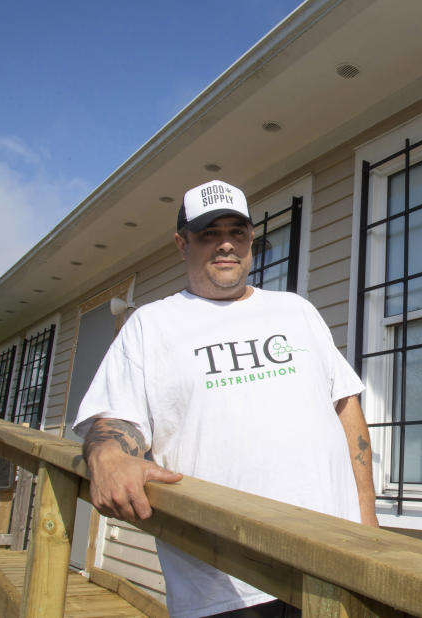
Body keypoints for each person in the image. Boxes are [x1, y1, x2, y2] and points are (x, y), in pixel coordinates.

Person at [73, 179, 378, 618]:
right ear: (182, 244)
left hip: (334, 560)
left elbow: (346, 409)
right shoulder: (152, 325)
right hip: (224, 582)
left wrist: (366, 522)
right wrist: (106, 455)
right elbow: (115, 419)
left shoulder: (296, 311)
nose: (226, 245)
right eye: (208, 234)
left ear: (250, 239)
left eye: (237, 232)